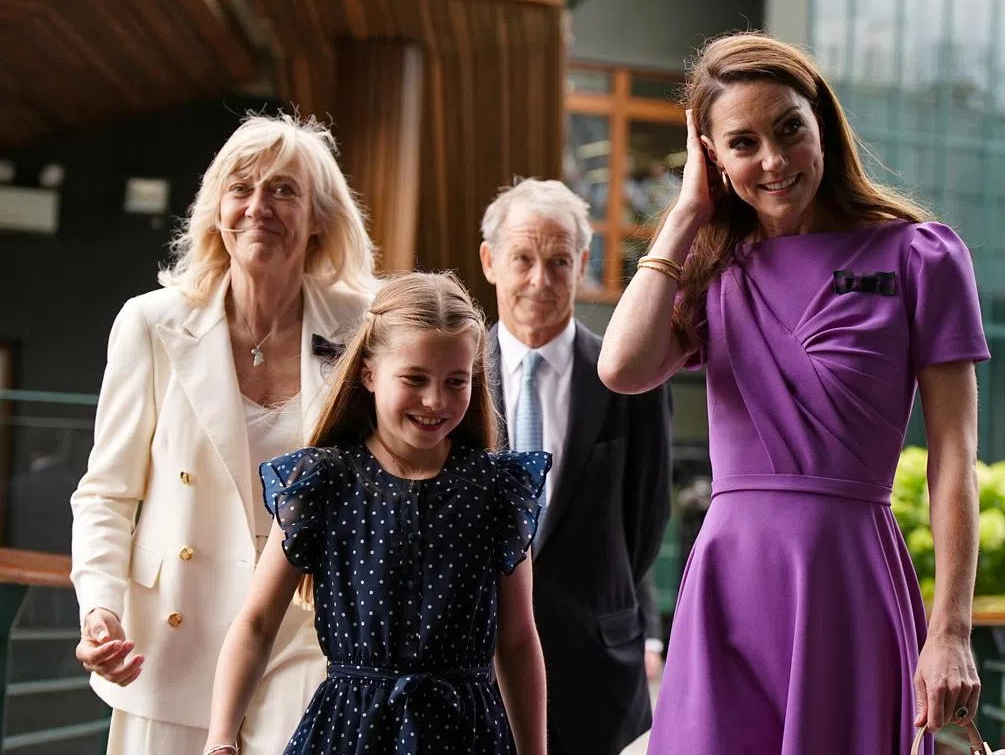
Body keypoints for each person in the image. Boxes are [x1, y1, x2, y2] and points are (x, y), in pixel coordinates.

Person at [596, 31, 989, 755]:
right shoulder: (714, 267)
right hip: (728, 583)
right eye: (742, 143)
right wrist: (685, 216)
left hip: (849, 583)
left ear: (822, 127)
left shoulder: (920, 254)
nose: (773, 161)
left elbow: (955, 458)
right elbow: (620, 368)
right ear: (712, 158)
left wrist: (951, 631)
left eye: (788, 130)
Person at [70, 113, 378, 755]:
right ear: (216, 210)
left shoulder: (362, 328)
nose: (258, 207)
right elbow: (107, 492)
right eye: (241, 188)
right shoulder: (151, 324)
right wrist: (99, 607)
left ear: (320, 217)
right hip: (168, 644)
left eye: (284, 191)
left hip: (305, 648)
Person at [203, 272, 548, 755]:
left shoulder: (497, 489)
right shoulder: (321, 482)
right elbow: (257, 622)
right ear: (369, 372)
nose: (436, 401)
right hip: (348, 732)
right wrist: (221, 738)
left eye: (456, 382)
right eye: (414, 379)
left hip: (468, 736)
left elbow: (517, 641)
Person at [478, 178, 673, 755]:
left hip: (597, 675)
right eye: (523, 259)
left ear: (583, 264)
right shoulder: (456, 379)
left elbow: (646, 523)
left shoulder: (629, 376)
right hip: (476, 671)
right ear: (490, 262)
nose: (540, 280)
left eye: (559, 261)